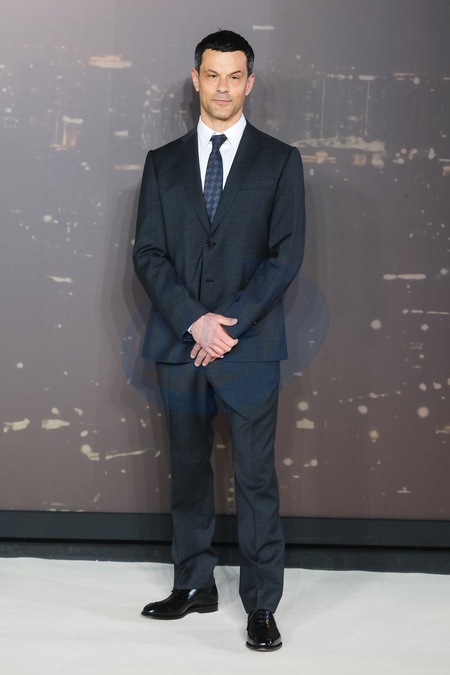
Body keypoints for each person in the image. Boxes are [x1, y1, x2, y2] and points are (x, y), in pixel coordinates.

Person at [133, 29, 305, 651]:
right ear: (196, 79)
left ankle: (262, 606)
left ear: (249, 83)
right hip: (180, 344)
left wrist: (225, 324)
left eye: (235, 76)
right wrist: (194, 320)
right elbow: (148, 254)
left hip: (249, 347)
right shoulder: (162, 163)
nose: (223, 87)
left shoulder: (280, 161)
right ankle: (193, 585)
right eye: (213, 75)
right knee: (188, 474)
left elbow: (286, 256)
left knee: (255, 480)